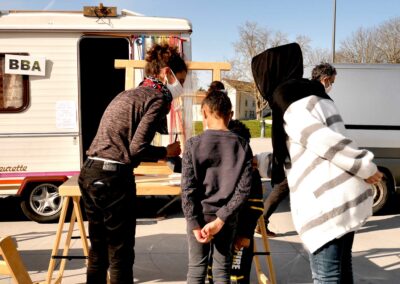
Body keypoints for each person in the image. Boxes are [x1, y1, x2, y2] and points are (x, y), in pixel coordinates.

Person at [252, 44, 383, 283]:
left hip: (327, 205)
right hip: (342, 200)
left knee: (326, 276)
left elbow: (325, 141)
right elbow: (299, 153)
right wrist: (259, 162)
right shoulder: (312, 94)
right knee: (341, 271)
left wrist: (366, 166)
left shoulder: (291, 102)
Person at [78, 43, 187, 284]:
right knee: (120, 253)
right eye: (181, 80)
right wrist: (166, 151)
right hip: (112, 178)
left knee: (98, 249)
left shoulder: (128, 94)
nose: (181, 87)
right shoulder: (157, 98)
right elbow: (137, 149)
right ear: (166, 73)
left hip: (90, 172)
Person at [181, 90, 253, 283]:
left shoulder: (192, 144)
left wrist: (194, 223)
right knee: (222, 271)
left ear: (203, 113)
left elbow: (187, 190)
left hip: (199, 214)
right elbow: (243, 190)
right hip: (227, 218)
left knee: (196, 269)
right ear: (230, 114)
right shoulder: (242, 145)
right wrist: (221, 220)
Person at [207, 119, 264, 284]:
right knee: (215, 273)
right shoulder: (219, 168)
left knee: (236, 277)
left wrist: (245, 234)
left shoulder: (251, 173)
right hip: (219, 232)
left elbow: (255, 207)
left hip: (240, 234)